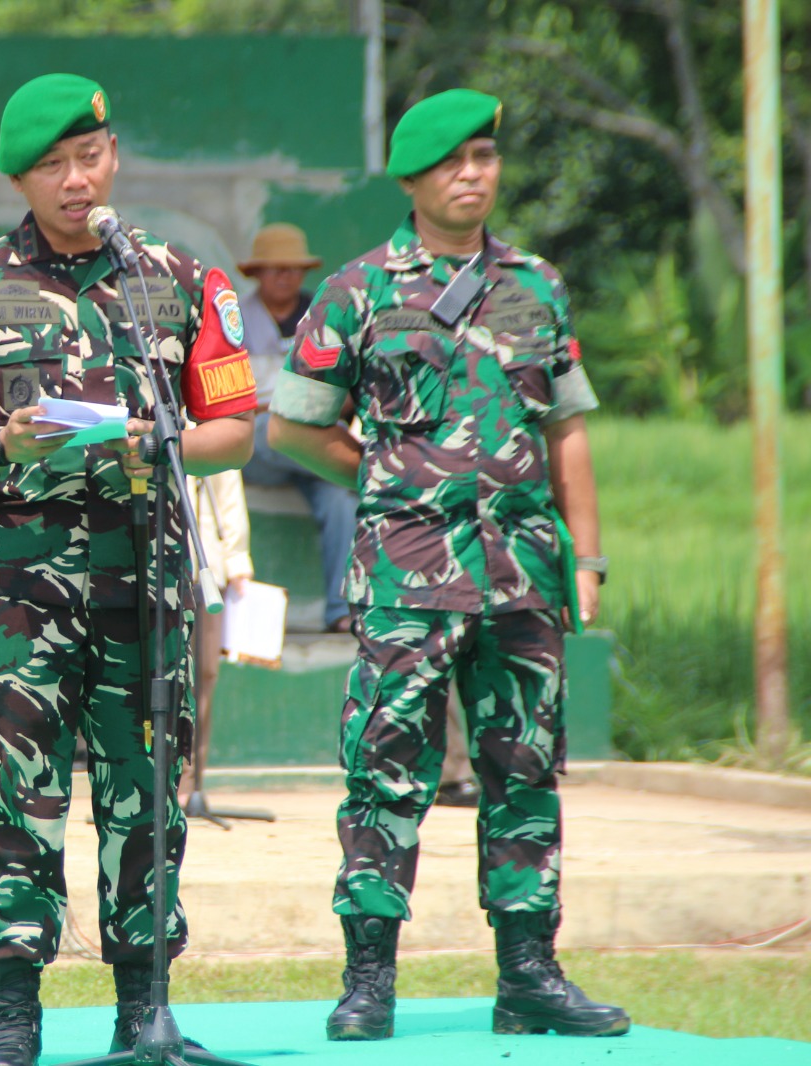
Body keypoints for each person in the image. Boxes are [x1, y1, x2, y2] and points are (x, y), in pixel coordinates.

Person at [0, 73, 255, 1066]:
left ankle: (145, 1010)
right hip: (23, 587)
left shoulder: (179, 280)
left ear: (114, 154)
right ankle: (13, 1015)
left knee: (147, 793)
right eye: (51, 165)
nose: (73, 180)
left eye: (88, 157)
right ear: (19, 177)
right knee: (21, 795)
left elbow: (234, 429)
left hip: (143, 581)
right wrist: (7, 443)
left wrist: (158, 439)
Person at [268, 88, 625, 1041]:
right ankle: (368, 981)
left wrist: (585, 558)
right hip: (407, 575)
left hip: (522, 574)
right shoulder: (359, 289)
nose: (474, 175)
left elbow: (569, 431)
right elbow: (293, 426)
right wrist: (385, 477)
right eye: (452, 163)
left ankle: (530, 974)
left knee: (525, 771)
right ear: (414, 179)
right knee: (385, 770)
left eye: (485, 157)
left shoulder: (537, 286)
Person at [237, 224, 356, 633]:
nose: (285, 276)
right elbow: (232, 403)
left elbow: (347, 393)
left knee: (340, 495)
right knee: (276, 427)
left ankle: (340, 611)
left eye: (292, 268)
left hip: (315, 441)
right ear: (257, 273)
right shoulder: (234, 320)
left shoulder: (323, 318)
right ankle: (368, 469)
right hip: (258, 445)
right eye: (275, 269)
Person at [182, 466, 254, 801]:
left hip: (207, 568)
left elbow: (228, 492)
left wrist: (238, 560)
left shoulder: (207, 422)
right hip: (153, 564)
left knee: (204, 673)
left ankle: (190, 780)